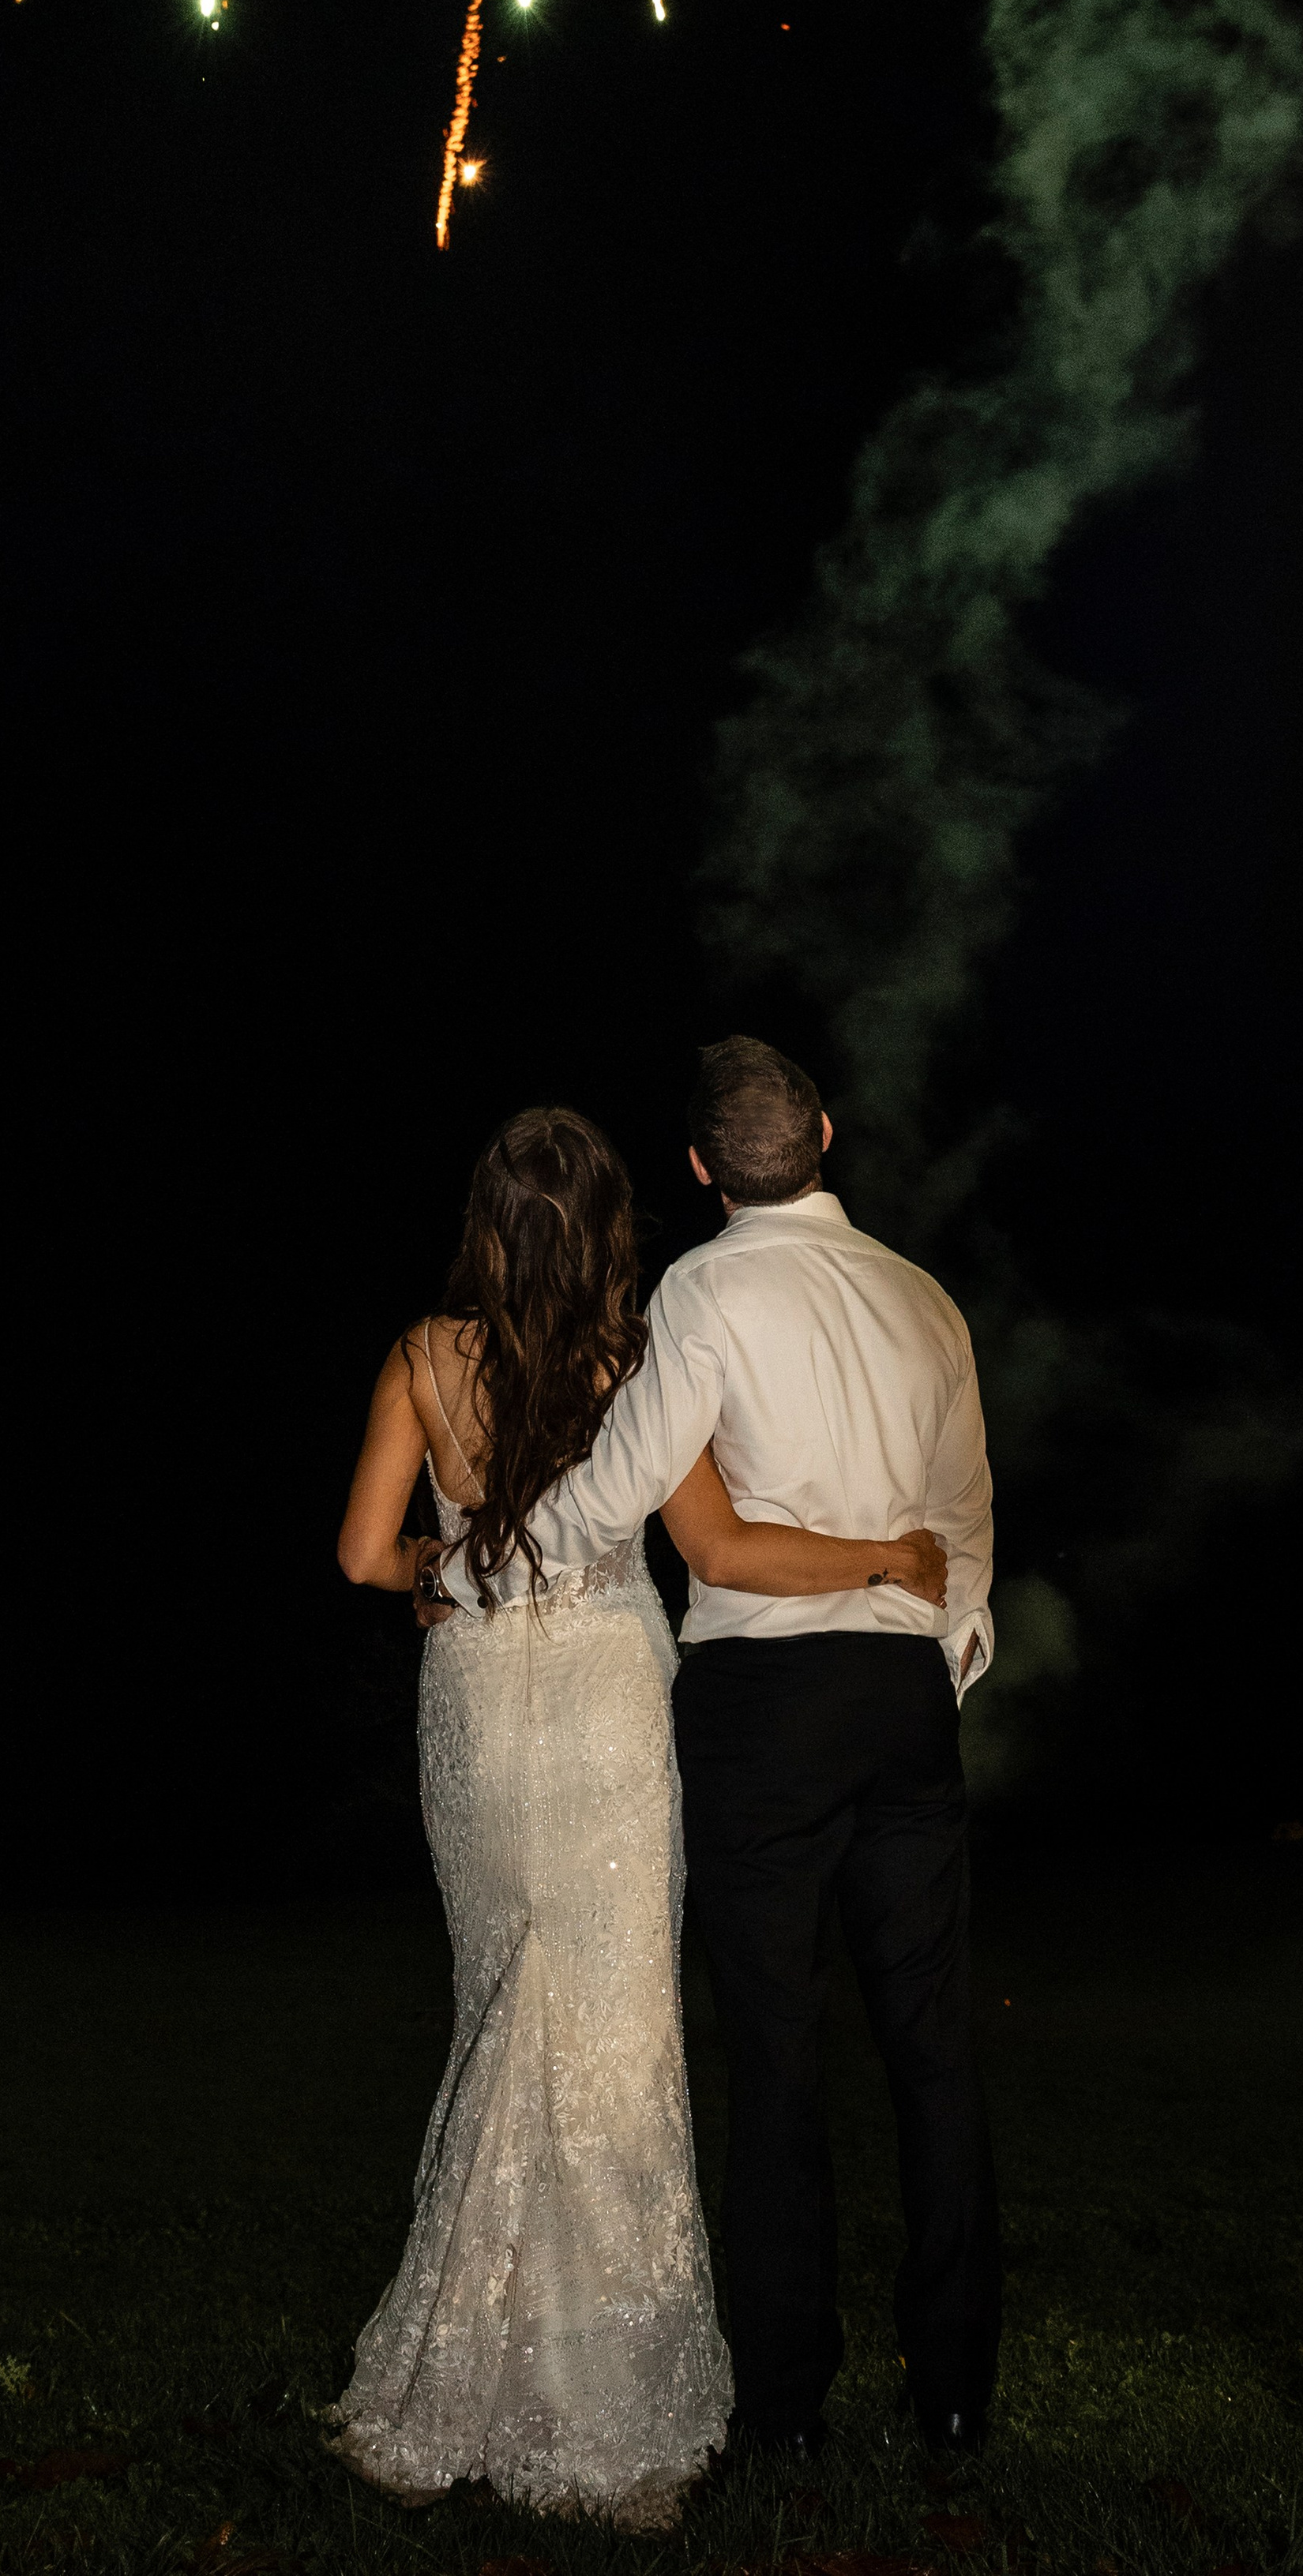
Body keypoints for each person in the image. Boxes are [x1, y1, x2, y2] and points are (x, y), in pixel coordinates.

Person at [330, 1104, 951, 2528]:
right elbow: (720, 1548)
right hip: (610, 1698)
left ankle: (465, 2387)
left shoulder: (423, 1359)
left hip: (479, 1705)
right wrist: (890, 1558)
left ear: (486, 1224)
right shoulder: (632, 1363)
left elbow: (367, 1555)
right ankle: (611, 2410)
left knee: (504, 2001)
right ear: (611, 1230)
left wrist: (459, 1564)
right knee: (610, 2027)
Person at [522, 1037, 1002, 2465]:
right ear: (827, 1135)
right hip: (904, 1696)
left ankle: (784, 2413)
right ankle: (958, 2397)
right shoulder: (924, 1297)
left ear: (697, 1169)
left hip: (767, 1708)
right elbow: (967, 1519)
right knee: (934, 2052)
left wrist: (502, 1561)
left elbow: (620, 1485)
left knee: (778, 2058)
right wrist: (944, 1656)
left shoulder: (705, 1288)